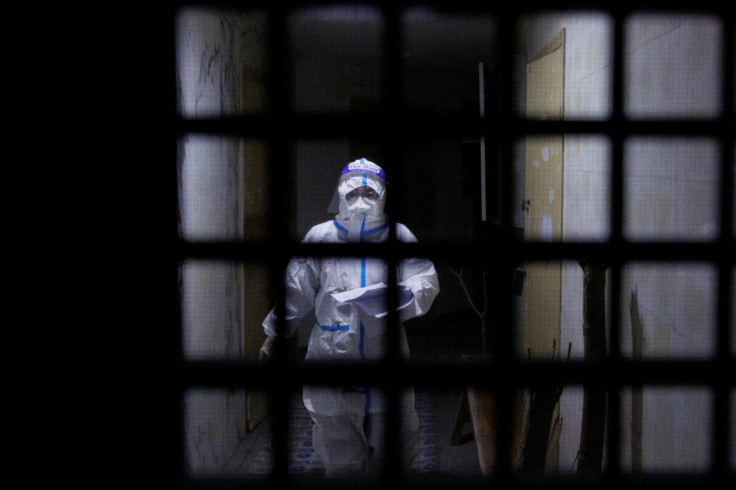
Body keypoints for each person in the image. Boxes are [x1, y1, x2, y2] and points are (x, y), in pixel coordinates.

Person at [259, 158, 440, 475]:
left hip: (383, 350)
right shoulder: (321, 237)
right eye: (353, 192)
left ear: (382, 197)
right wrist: (274, 333)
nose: (360, 200)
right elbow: (295, 290)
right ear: (340, 195)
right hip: (332, 355)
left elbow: (424, 279)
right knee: (340, 452)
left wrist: (399, 296)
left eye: (369, 194)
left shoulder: (398, 235)